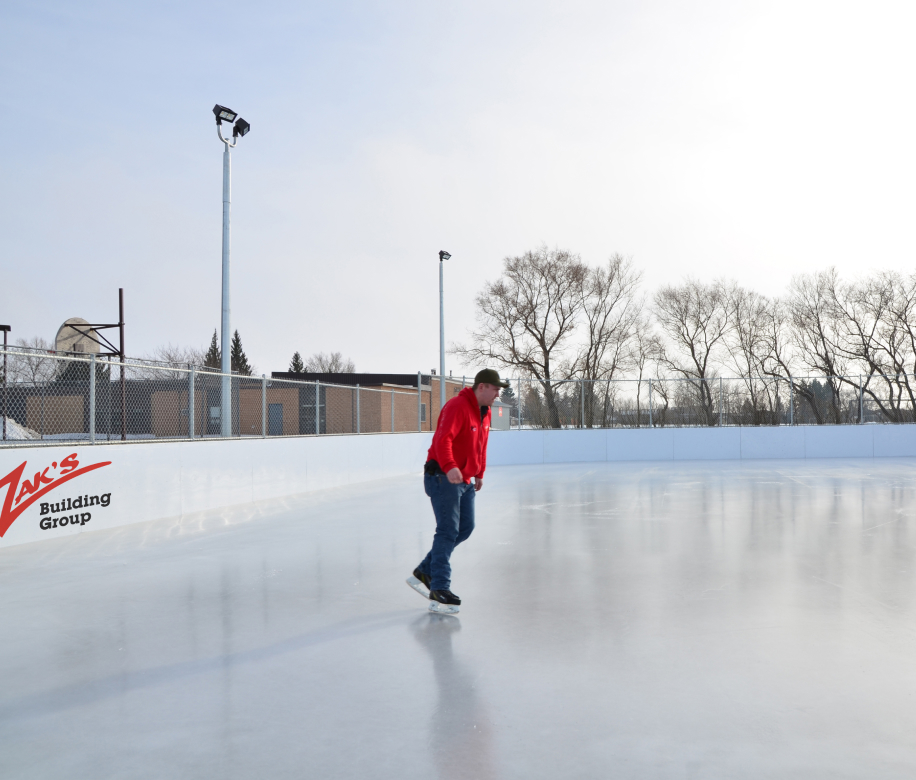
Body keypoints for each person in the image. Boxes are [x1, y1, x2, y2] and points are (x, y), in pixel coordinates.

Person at [407, 368, 509, 614]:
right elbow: (443, 440)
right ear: (482, 386)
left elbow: (481, 447)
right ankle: (439, 589)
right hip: (443, 477)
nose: (498, 394)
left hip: (464, 479)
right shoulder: (457, 406)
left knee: (465, 528)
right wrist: (451, 466)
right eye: (495, 389)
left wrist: (480, 472)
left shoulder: (485, 414)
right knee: (448, 530)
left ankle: (424, 570)